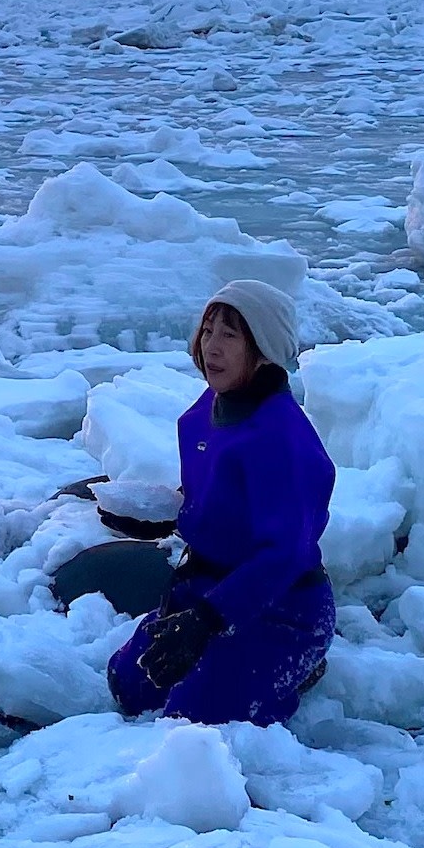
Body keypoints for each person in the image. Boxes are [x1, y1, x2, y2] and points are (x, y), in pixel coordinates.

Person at [107, 279, 337, 726]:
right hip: (205, 590)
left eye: (230, 335)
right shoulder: (209, 408)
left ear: (264, 347)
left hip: (282, 609)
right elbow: (215, 499)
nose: (211, 347)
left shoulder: (282, 440)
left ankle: (300, 666)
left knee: (195, 719)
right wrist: (160, 518)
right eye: (208, 331)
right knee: (129, 685)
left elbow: (283, 554)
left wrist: (205, 622)